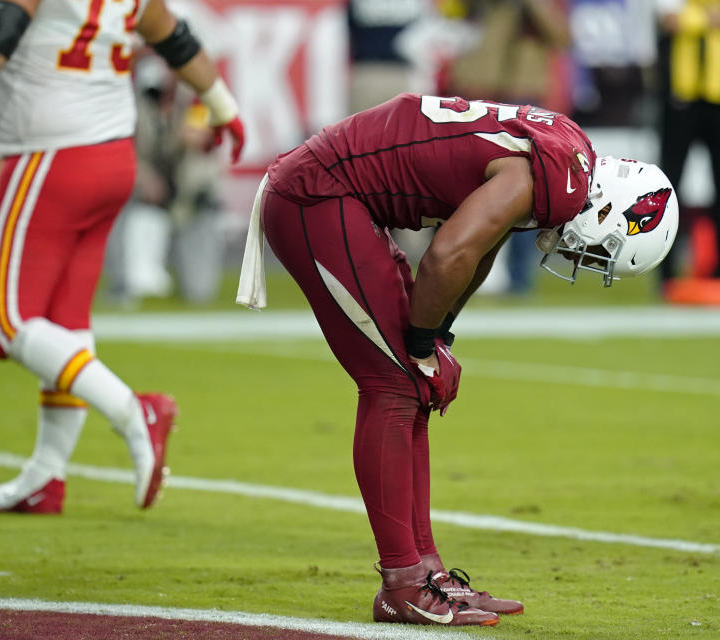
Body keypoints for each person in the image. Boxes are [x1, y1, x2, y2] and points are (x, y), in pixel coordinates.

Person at [236, 93, 678, 627]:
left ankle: (425, 574)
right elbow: (449, 253)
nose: (584, 260)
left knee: (414, 387)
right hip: (318, 195)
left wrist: (439, 335)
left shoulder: (566, 154)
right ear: (608, 211)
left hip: (340, 194)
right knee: (396, 385)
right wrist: (421, 347)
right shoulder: (550, 182)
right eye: (600, 251)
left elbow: (481, 241)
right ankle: (403, 582)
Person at [0, 0, 245, 513]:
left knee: (5, 322)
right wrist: (223, 104)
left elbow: (5, 21)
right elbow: (172, 34)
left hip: (50, 153)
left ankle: (134, 412)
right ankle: (46, 475)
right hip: (112, 156)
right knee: (64, 322)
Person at [654, 0, 720, 285]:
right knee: (669, 187)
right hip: (681, 98)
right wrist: (717, 18)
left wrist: (695, 18)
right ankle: (664, 270)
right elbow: (669, 20)